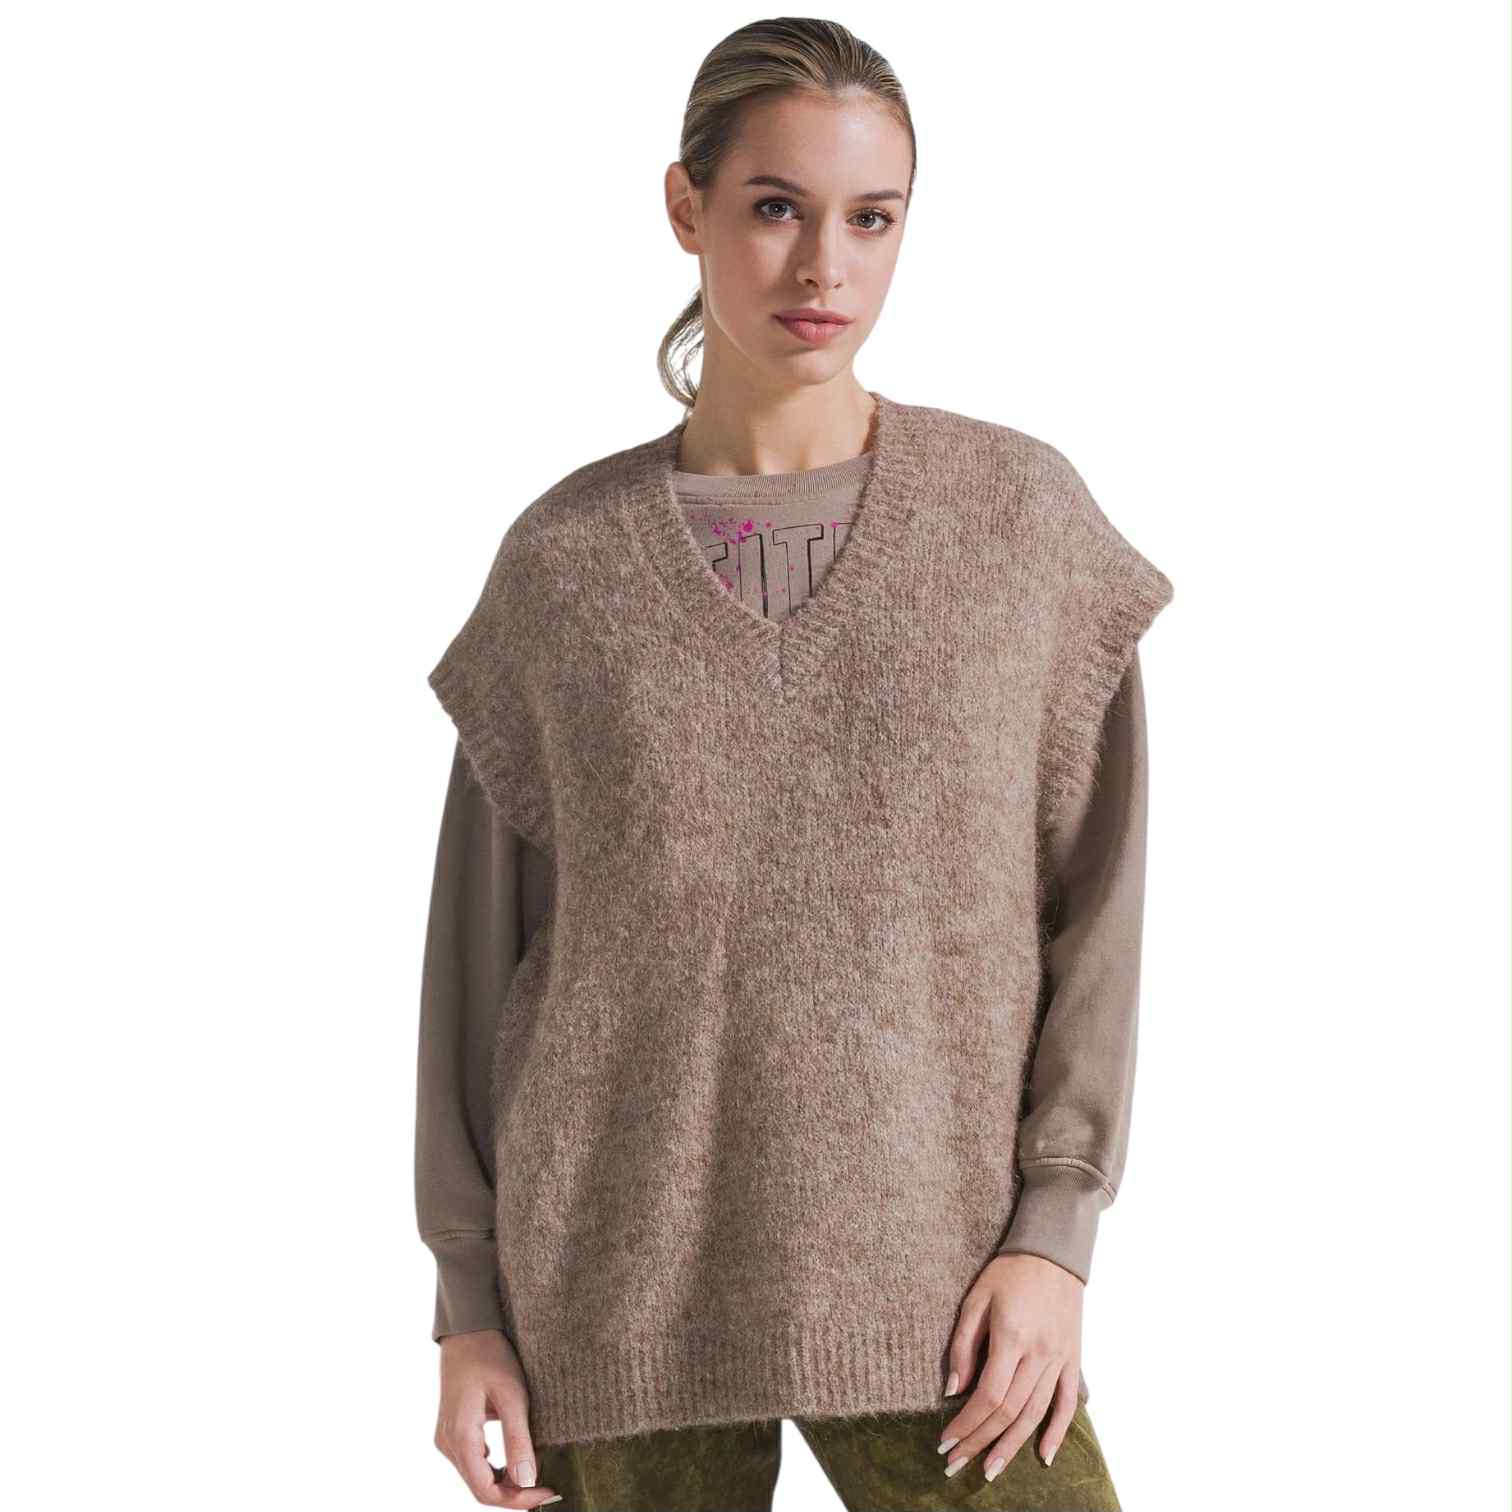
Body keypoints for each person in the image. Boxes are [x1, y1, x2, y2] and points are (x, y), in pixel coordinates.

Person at [414, 18, 1173, 1511]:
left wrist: (1056, 1236)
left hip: (943, 1287)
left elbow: (1098, 910)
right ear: (686, 206)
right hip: (614, 1292)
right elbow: (476, 963)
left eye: (871, 218)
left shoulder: (1018, 528)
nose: (824, 266)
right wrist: (468, 1304)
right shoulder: (565, 569)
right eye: (775, 207)